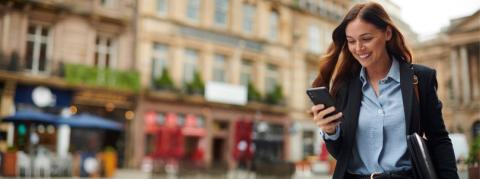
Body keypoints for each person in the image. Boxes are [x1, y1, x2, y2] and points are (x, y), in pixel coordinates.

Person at [310, 2, 458, 179]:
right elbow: (341, 153)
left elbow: (439, 140)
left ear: (387, 33)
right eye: (351, 41)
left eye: (366, 39)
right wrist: (330, 132)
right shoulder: (344, 85)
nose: (358, 48)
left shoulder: (420, 79)